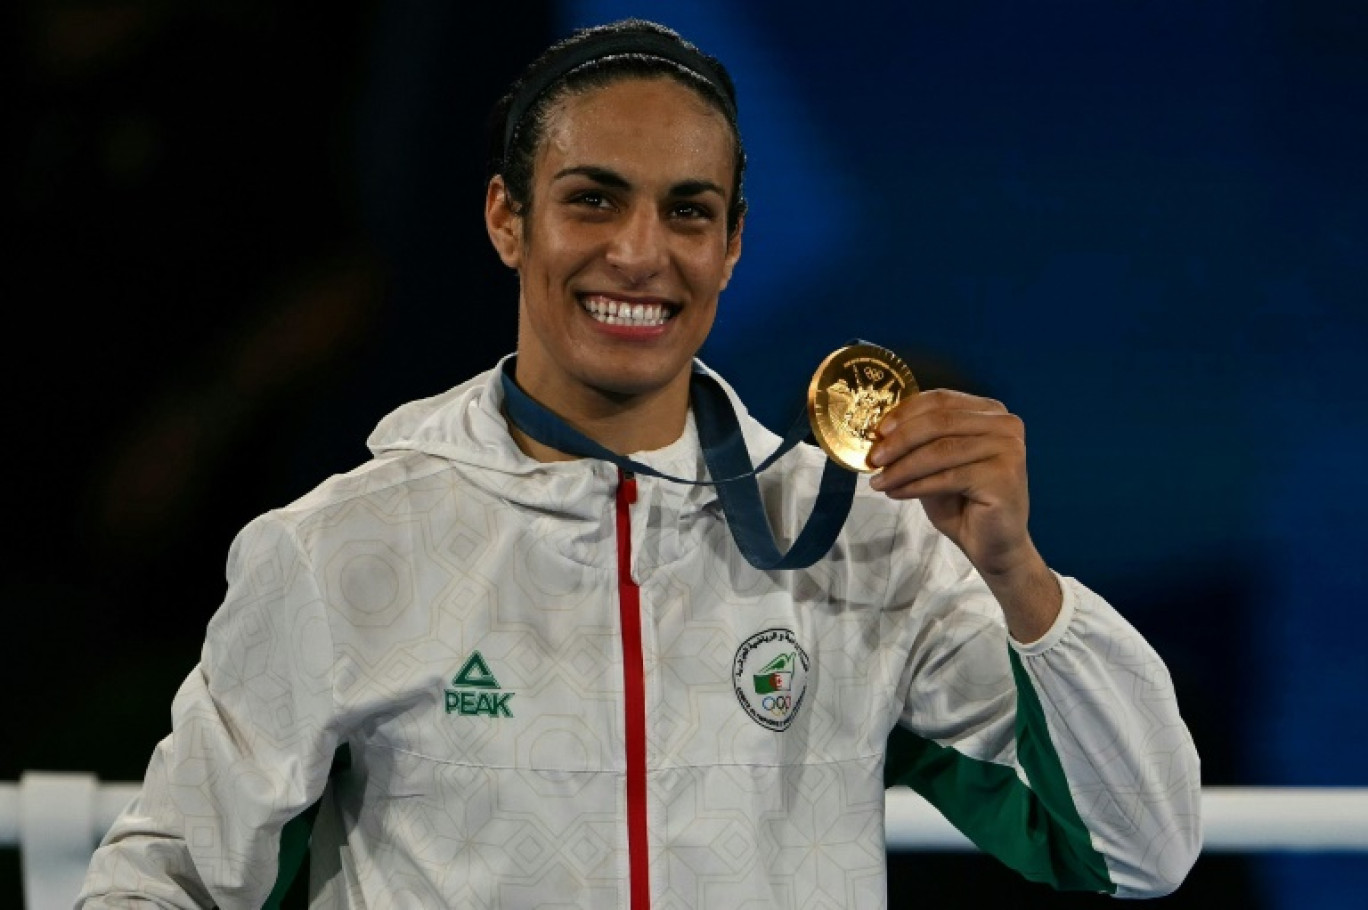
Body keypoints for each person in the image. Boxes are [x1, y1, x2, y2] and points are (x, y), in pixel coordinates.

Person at [78, 18, 1201, 908]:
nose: (639, 251)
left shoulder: (858, 545)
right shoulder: (338, 550)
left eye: (688, 211)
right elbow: (166, 882)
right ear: (507, 219)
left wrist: (1023, 581)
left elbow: (1138, 844)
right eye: (594, 197)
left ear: (733, 245)